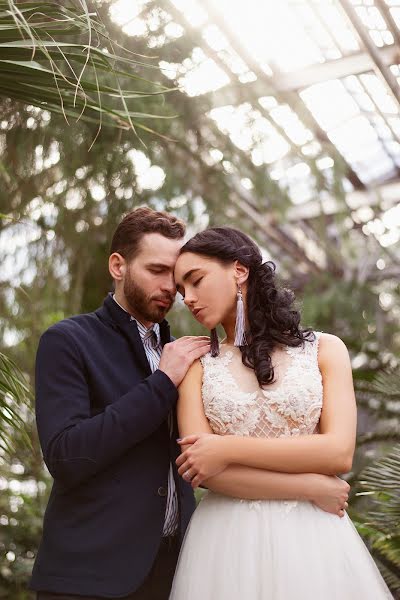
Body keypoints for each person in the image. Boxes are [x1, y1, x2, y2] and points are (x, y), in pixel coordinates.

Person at [170, 226, 393, 600]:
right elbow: (204, 472)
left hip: (314, 540)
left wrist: (226, 450)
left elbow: (338, 452)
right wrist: (309, 486)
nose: (188, 299)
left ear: (239, 270)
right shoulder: (195, 365)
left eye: (195, 281)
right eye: (181, 291)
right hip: (225, 544)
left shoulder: (325, 350)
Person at [30, 207, 211, 600]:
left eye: (176, 277)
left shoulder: (182, 353)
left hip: (174, 572)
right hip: (87, 579)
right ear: (118, 265)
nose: (170, 287)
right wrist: (162, 382)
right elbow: (66, 456)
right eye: (157, 270)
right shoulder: (67, 340)